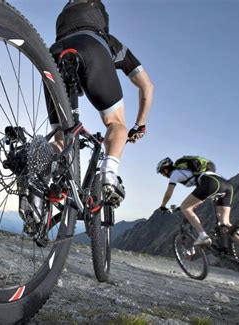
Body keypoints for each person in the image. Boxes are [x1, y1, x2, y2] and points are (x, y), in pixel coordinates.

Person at [48, 0, 154, 203]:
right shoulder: (111, 42)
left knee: (60, 139)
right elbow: (147, 86)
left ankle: (35, 177)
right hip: (91, 45)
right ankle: (109, 173)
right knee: (115, 122)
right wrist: (139, 125)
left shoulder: (65, 23)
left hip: (54, 53)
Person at [156, 157, 234, 246]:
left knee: (185, 207)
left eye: (162, 172)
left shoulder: (175, 173)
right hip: (226, 184)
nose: (163, 175)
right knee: (225, 223)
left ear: (166, 170)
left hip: (211, 182)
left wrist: (163, 206)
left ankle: (203, 236)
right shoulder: (192, 173)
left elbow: (168, 193)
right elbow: (199, 192)